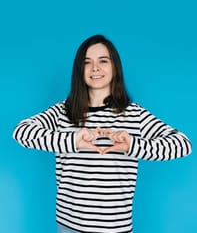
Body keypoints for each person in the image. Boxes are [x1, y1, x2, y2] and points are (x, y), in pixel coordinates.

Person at [13, 34, 192, 233]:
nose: (95, 68)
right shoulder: (62, 111)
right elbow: (22, 131)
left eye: (103, 61)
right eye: (87, 62)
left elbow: (183, 144)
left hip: (115, 229)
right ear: (79, 70)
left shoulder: (134, 114)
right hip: (68, 226)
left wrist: (133, 145)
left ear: (115, 67)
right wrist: (73, 140)